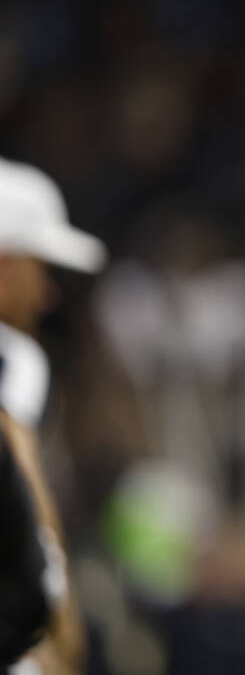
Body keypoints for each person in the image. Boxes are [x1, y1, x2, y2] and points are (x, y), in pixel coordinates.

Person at [0, 157, 106, 674]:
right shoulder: (10, 357)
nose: (47, 294)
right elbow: (24, 493)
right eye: (40, 268)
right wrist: (62, 631)